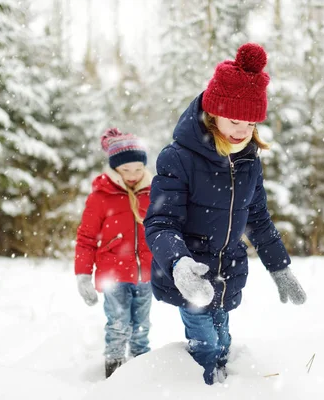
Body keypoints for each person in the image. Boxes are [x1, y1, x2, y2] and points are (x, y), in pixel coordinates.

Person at [143, 43, 307, 385]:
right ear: (213, 113)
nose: (241, 130)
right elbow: (161, 223)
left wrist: (280, 267)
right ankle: (200, 389)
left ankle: (224, 386)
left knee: (223, 342)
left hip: (227, 272)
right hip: (193, 272)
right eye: (233, 119)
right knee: (206, 347)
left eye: (250, 123)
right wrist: (179, 263)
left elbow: (258, 218)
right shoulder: (179, 158)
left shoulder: (248, 161)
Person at [74, 128, 153, 378]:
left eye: (138, 169)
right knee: (118, 325)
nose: (132, 175)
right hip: (113, 275)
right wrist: (83, 275)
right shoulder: (101, 197)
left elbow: (165, 229)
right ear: (115, 169)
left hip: (146, 274)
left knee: (141, 327)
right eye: (125, 170)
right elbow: (86, 239)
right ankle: (115, 372)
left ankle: (143, 371)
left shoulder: (153, 193)